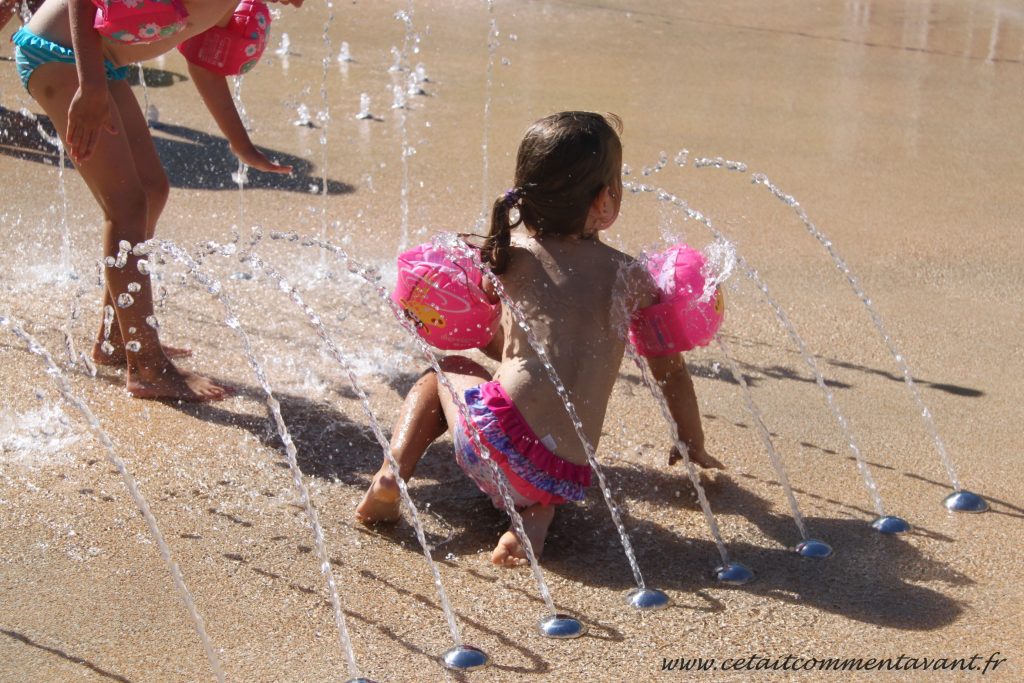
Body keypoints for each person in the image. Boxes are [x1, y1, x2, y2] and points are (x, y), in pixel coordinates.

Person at [357, 111, 722, 566]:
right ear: (605, 201)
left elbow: (502, 345)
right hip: (566, 473)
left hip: (489, 445)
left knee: (449, 370)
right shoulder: (634, 279)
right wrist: (691, 442)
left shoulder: (511, 261)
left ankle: (392, 473)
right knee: (546, 466)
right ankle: (533, 521)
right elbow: (671, 373)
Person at [9, 0, 303, 400]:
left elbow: (205, 67)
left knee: (152, 190)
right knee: (127, 206)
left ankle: (117, 339)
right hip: (61, 55)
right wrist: (91, 87)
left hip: (100, 63)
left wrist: (242, 145)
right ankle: (146, 364)